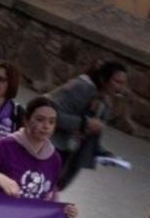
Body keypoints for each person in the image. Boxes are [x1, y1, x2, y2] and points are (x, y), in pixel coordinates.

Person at [49, 59, 129, 189]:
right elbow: (51, 115)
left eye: (123, 83)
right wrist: (85, 123)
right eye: (117, 82)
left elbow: (92, 140)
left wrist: (106, 155)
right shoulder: (80, 88)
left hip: (69, 158)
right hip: (50, 149)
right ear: (104, 79)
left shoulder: (105, 104)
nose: (121, 88)